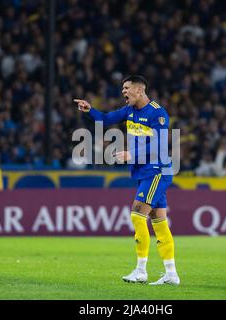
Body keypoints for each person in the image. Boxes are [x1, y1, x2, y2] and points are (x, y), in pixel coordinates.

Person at [74, 75, 180, 285]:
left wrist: (132, 154)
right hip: (144, 172)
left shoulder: (157, 113)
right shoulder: (129, 111)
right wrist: (90, 110)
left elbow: (160, 145)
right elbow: (105, 120)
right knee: (159, 222)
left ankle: (141, 271)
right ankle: (171, 274)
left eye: (126, 88)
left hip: (157, 171)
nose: (123, 92)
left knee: (137, 214)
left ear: (139, 90)